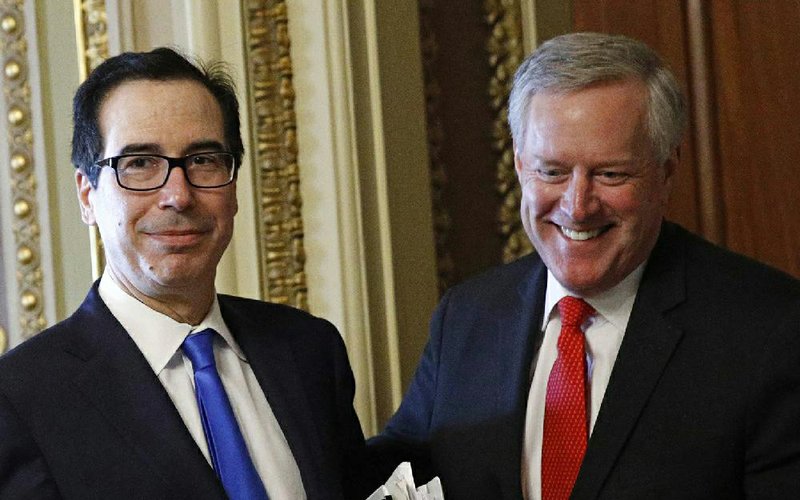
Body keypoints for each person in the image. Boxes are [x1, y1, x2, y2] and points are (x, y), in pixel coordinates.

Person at [369, 32, 800, 499]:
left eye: (610, 173)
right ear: (519, 166)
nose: (577, 206)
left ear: (667, 171)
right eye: (552, 171)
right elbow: (394, 472)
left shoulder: (771, 332)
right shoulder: (468, 316)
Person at [0, 48, 370, 499]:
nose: (178, 195)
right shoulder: (20, 400)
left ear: (233, 188)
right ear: (87, 195)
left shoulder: (309, 350)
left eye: (204, 160)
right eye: (139, 163)